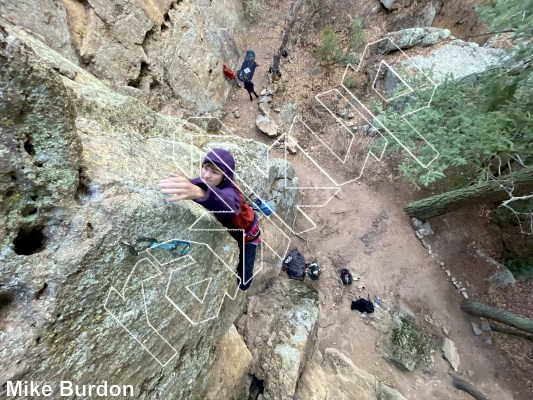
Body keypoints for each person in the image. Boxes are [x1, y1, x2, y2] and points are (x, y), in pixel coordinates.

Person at [157, 148, 260, 291]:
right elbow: (193, 184)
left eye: (215, 172)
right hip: (238, 223)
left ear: (225, 177)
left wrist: (201, 193)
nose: (206, 176)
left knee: (244, 284)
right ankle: (253, 207)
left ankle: (256, 209)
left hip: (248, 235)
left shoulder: (232, 192)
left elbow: (230, 205)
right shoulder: (207, 181)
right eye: (205, 168)